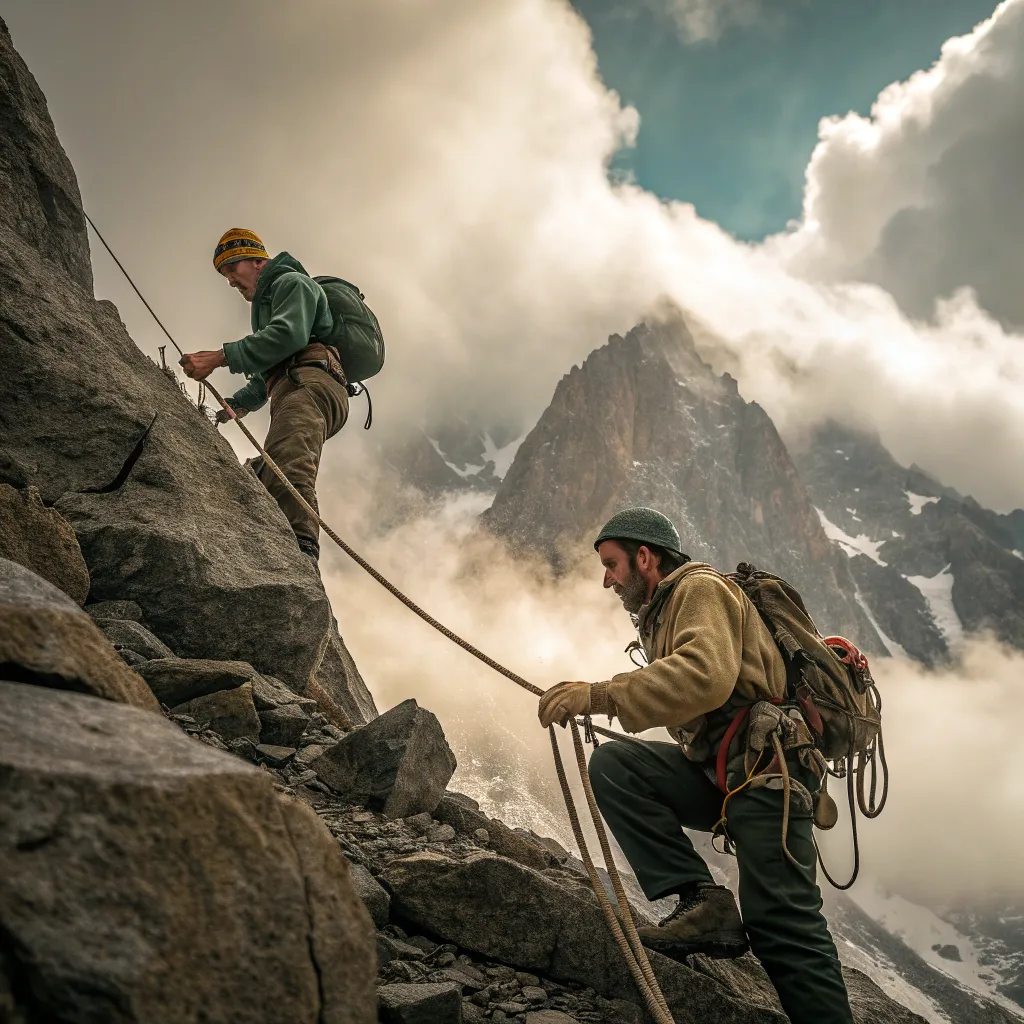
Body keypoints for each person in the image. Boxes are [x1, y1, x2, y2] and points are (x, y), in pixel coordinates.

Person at [537, 507, 853, 1024]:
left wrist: (598, 696)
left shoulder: (698, 589)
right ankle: (705, 902)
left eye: (613, 564)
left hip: (767, 775)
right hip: (727, 776)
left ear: (645, 556)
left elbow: (704, 676)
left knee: (784, 927)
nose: (607, 579)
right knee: (619, 766)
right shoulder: (663, 611)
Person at [180, 229, 349, 562]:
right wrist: (238, 404)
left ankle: (301, 556)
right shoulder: (271, 302)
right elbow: (269, 368)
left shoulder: (292, 283)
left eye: (232, 268)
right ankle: (280, 543)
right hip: (298, 384)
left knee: (288, 464)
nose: (229, 280)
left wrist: (218, 357)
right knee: (263, 472)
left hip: (309, 384)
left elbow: (288, 336)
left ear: (257, 261)